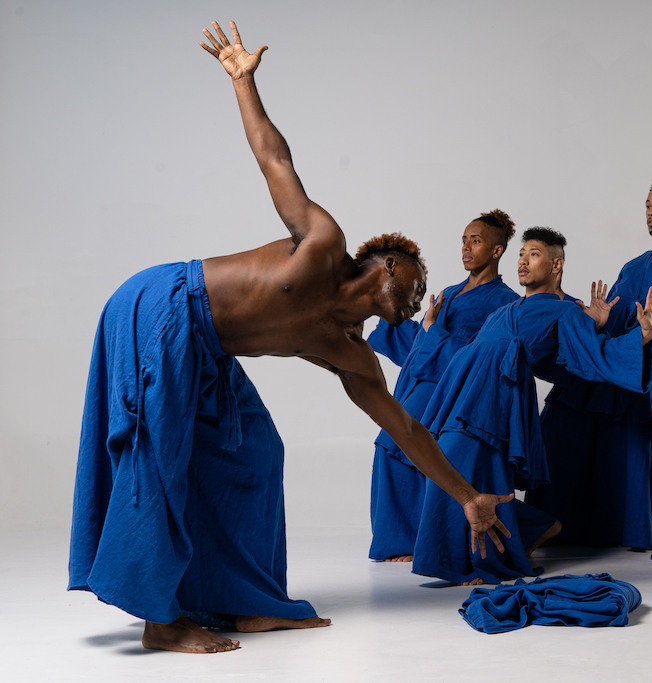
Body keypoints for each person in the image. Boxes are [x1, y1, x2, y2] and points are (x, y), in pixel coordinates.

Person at [68, 21, 512, 654]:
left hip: (208, 350)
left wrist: (467, 497)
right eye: (415, 283)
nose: (420, 297)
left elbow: (406, 429)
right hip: (164, 306)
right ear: (388, 265)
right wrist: (243, 81)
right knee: (159, 451)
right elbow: (275, 160)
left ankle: (243, 600)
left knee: (254, 451)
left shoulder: (351, 351)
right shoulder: (323, 245)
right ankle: (161, 621)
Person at [412, 228, 652, 585]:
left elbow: (590, 358)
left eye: (533, 254)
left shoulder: (568, 312)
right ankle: (535, 526)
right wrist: (431, 331)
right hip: (465, 387)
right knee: (450, 468)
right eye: (521, 254)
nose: (522, 260)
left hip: (496, 397)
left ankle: (486, 560)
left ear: (556, 264)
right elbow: (472, 350)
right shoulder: (506, 309)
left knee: (460, 466)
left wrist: (639, 335)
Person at [527, 180, 652, 549]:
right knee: (566, 430)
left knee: (634, 439)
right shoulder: (633, 265)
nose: (651, 211)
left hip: (647, 358)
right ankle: (567, 526)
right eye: (647, 205)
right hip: (608, 356)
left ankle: (631, 529)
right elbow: (610, 310)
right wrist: (596, 321)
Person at [366, 210, 520, 562]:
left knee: (414, 450)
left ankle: (423, 540)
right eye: (464, 240)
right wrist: (396, 317)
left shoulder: (506, 301)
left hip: (456, 390)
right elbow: (418, 340)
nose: (466, 248)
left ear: (497, 251)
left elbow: (481, 356)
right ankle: (402, 539)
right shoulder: (449, 293)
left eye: (476, 241)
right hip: (420, 382)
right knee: (390, 447)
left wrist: (433, 331)